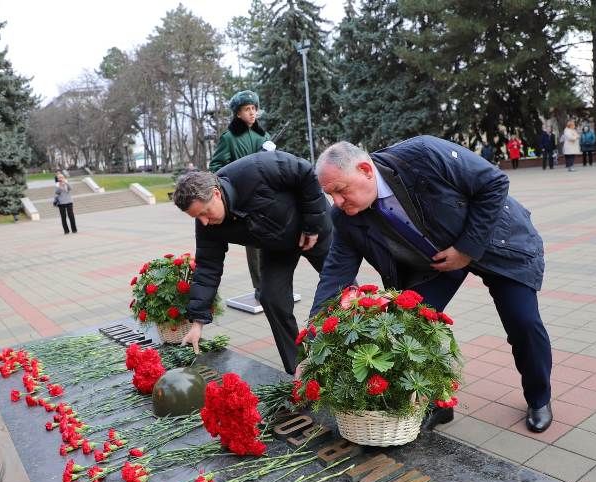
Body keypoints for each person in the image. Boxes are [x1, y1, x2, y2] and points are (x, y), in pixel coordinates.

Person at [310, 137, 554, 433]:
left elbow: (493, 182)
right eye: (330, 194)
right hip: (436, 265)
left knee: (523, 322)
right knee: (406, 327)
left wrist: (466, 249)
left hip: (496, 245)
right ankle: (438, 403)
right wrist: (312, 339)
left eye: (341, 190)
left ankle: (539, 398)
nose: (336, 202)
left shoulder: (422, 155)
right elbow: (335, 275)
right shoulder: (345, 217)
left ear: (365, 170)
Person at [174, 150, 332, 374]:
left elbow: (305, 171)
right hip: (276, 246)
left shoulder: (256, 169)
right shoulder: (207, 225)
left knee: (342, 287)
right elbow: (208, 267)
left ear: (216, 193)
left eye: (205, 213)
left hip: (312, 229)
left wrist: (312, 225)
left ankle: (351, 347)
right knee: (271, 297)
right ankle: (298, 367)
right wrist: (197, 323)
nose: (204, 222)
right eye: (197, 217)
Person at [209, 90, 272, 301]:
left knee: (271, 239)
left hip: (266, 195)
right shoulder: (229, 138)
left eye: (254, 108)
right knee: (253, 243)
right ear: (238, 113)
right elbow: (216, 166)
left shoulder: (264, 136)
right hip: (244, 197)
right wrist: (235, 180)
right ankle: (260, 286)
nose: (252, 113)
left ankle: (273, 283)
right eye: (247, 109)